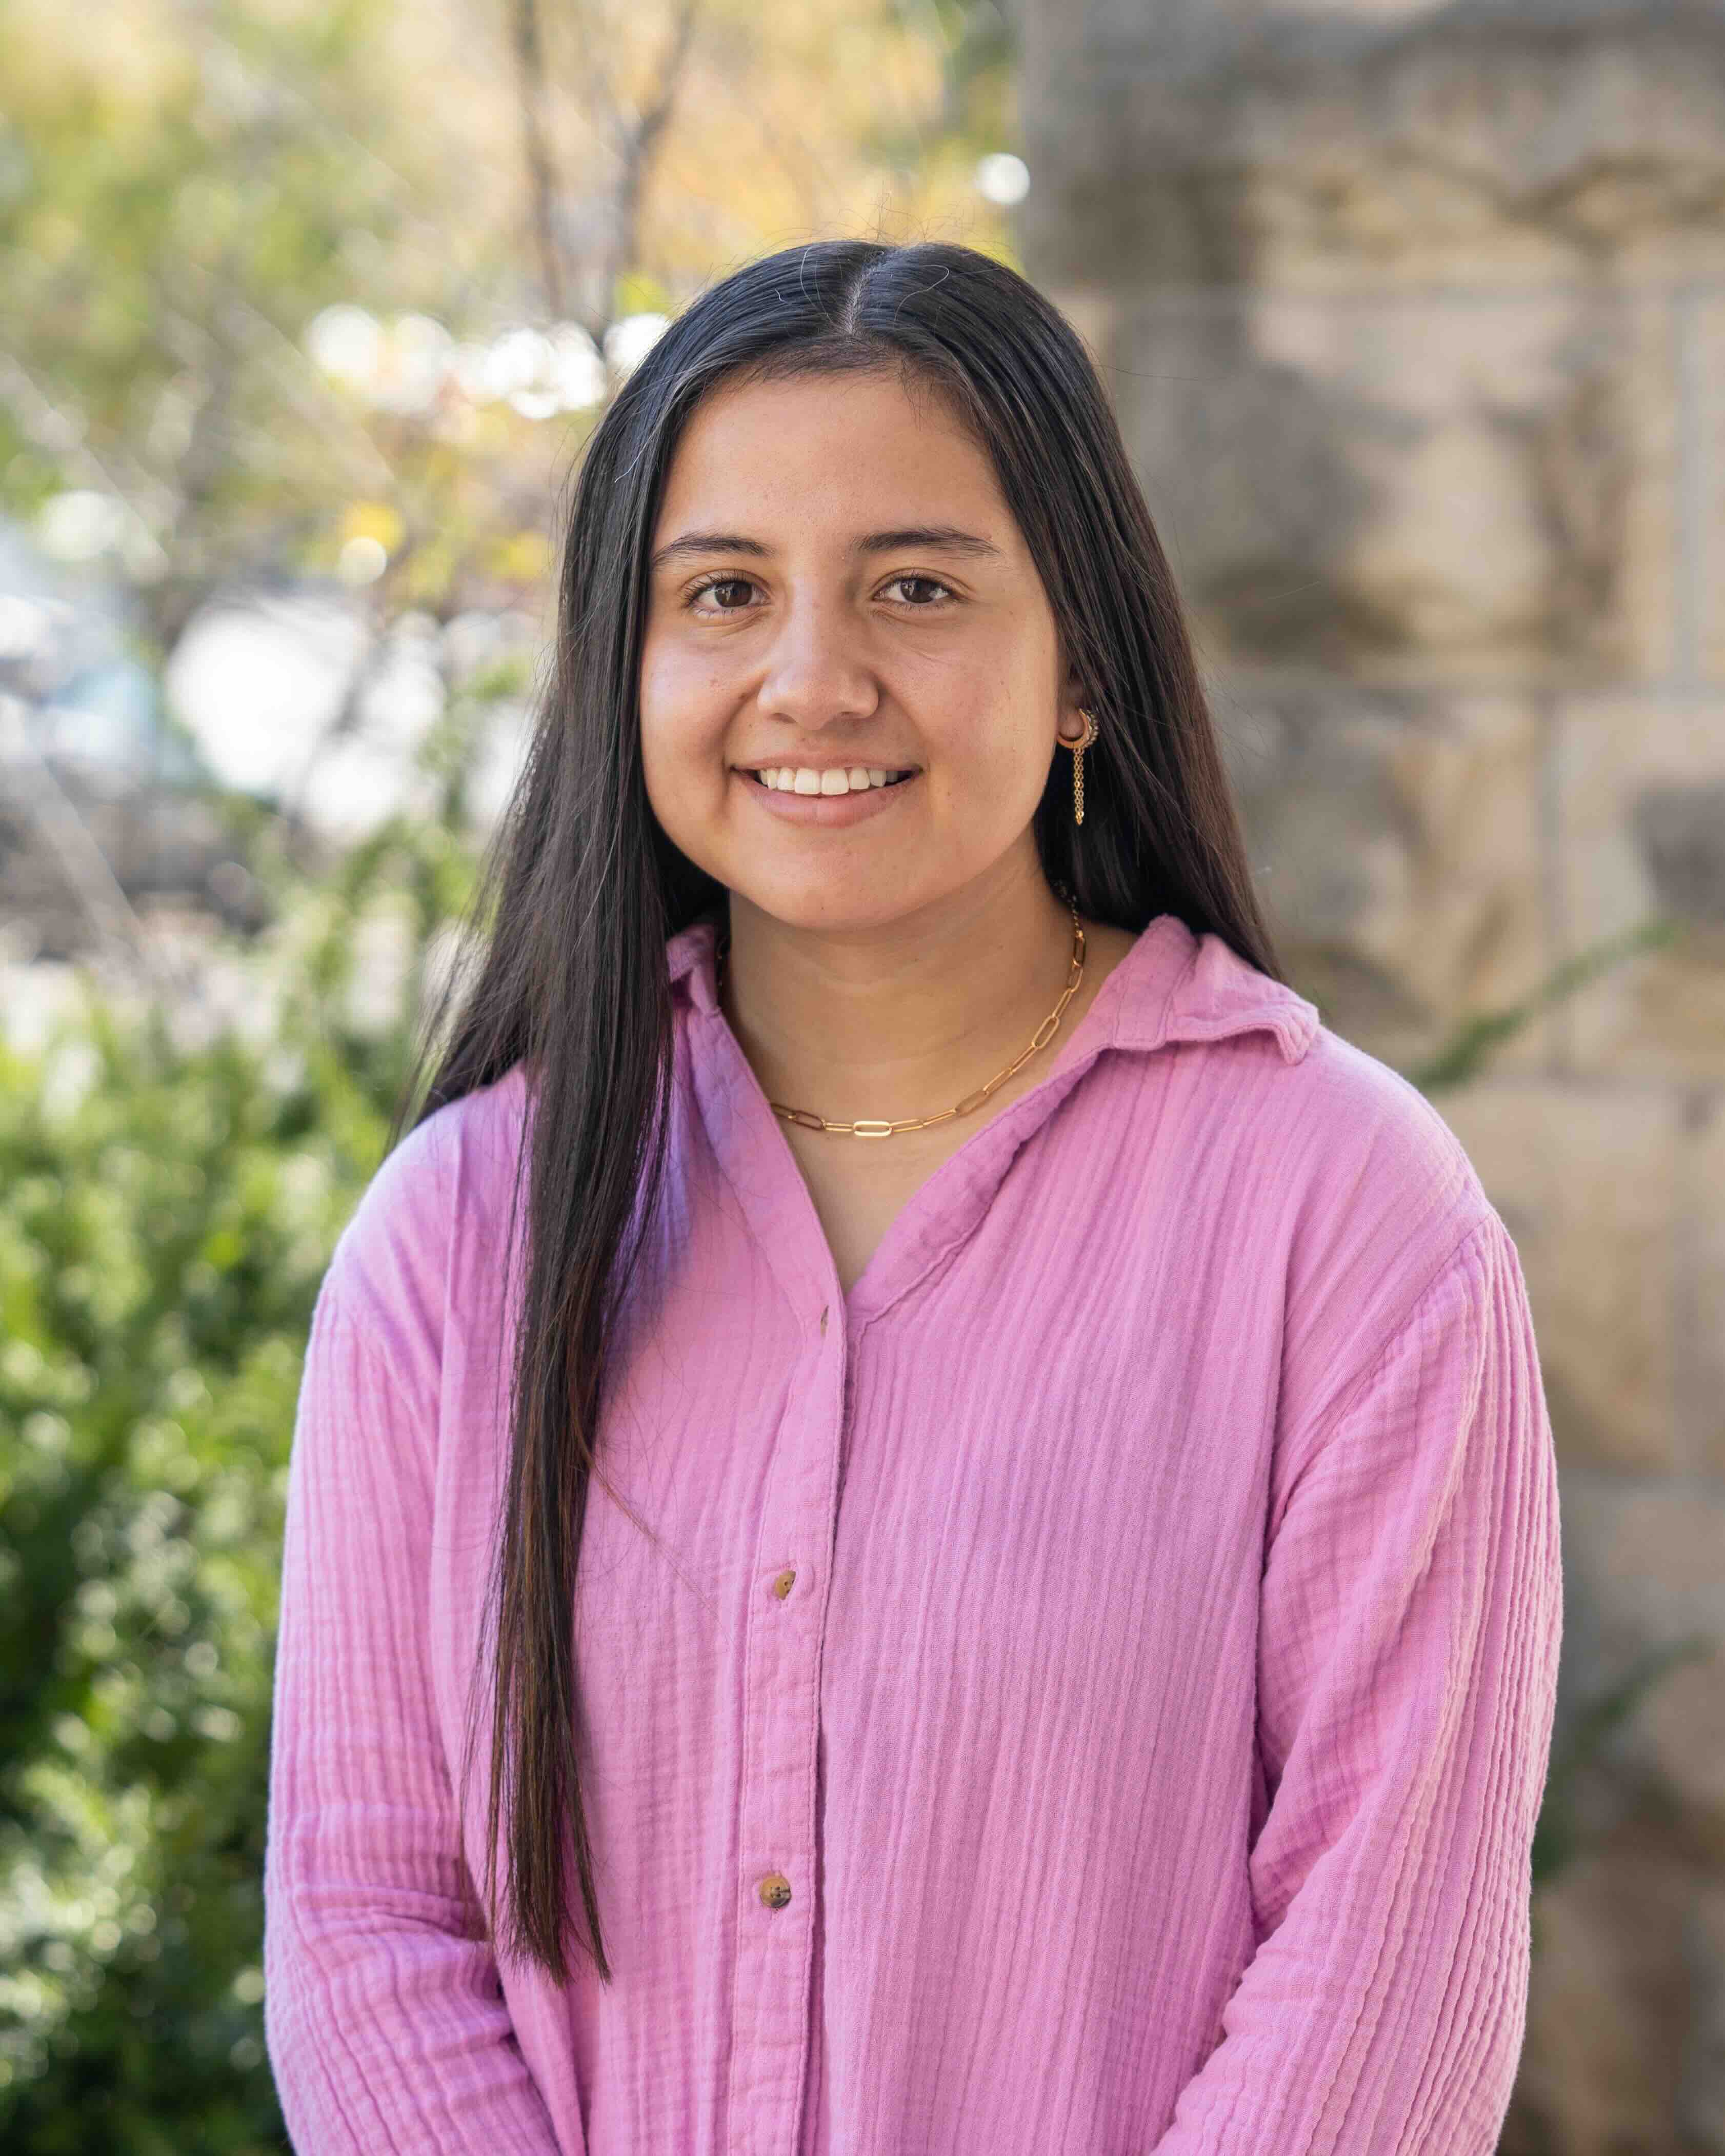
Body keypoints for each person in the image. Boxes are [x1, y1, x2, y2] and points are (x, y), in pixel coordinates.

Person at [262, 238, 1562, 2155]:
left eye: (916, 589)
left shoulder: (1345, 1222)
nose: (813, 679)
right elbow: (368, 1930)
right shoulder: (463, 1238)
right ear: (626, 666)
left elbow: (1382, 1961)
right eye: (722, 593)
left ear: (1081, 670)